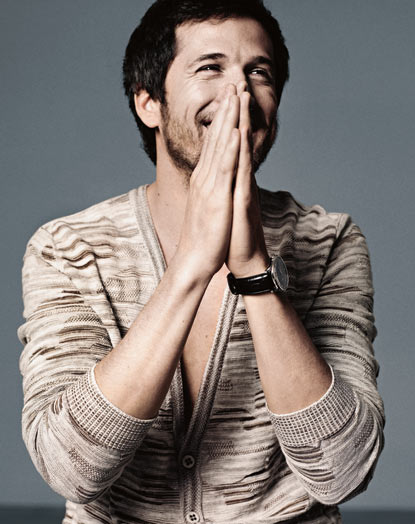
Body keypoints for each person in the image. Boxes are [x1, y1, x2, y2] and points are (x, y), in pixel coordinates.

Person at [17, 1, 385, 523]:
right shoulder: (68, 248)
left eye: (259, 72)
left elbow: (341, 472)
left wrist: (253, 269)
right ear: (149, 102)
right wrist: (191, 264)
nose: (240, 92)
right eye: (210, 67)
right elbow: (70, 467)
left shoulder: (327, 242)